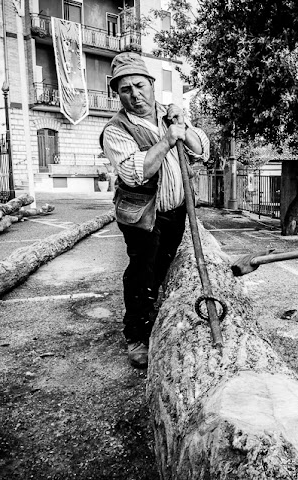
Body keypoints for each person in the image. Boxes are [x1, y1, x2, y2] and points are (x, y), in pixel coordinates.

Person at [101, 52, 210, 369]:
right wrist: (166, 138)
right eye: (125, 90)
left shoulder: (170, 115)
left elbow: (201, 149)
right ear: (118, 95)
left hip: (176, 211)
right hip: (142, 215)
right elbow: (138, 172)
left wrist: (182, 124)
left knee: (163, 269)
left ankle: (155, 320)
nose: (134, 94)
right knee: (142, 272)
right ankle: (135, 335)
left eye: (139, 85)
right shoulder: (116, 129)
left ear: (151, 84)